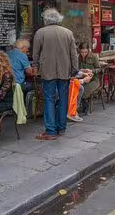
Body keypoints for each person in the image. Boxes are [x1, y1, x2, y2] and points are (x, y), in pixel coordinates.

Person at [32, 8, 79, 141]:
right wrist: (75, 69)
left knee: (49, 99)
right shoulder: (68, 33)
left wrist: (35, 66)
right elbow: (74, 54)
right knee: (63, 98)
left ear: (46, 20)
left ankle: (51, 130)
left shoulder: (40, 32)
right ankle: (61, 128)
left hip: (48, 71)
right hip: (65, 71)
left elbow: (35, 54)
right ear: (59, 19)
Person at [77, 43, 100, 111]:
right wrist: (81, 71)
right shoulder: (79, 58)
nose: (83, 54)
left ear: (88, 51)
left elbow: (100, 69)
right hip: (83, 78)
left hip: (94, 80)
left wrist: (91, 71)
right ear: (79, 51)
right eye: (82, 52)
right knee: (77, 88)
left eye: (85, 52)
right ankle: (81, 104)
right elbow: (77, 69)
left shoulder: (93, 57)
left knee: (84, 90)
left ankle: (85, 103)